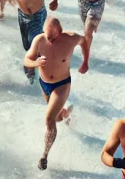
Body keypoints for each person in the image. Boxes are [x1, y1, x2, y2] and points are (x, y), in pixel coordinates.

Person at [22, 18, 86, 170]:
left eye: (52, 36)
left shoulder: (71, 39)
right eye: (47, 35)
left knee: (49, 119)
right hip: (44, 84)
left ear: (60, 32)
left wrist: (86, 61)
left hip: (62, 84)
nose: (49, 39)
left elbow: (85, 41)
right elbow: (26, 60)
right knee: (55, 119)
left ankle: (44, 156)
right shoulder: (40, 40)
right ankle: (65, 114)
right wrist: (35, 63)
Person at [7, 0, 60, 83]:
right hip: (22, 16)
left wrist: (55, 0)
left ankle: (31, 74)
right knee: (27, 46)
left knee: (33, 44)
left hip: (38, 15)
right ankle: (43, 53)